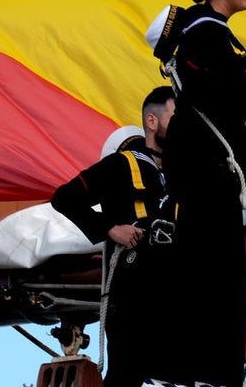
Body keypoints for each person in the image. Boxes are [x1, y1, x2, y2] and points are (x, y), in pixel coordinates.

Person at [158, 0, 246, 387]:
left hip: (212, 167)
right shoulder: (202, 29)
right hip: (199, 168)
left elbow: (236, 121)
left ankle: (207, 370)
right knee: (215, 273)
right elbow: (200, 78)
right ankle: (206, 372)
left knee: (220, 272)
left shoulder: (220, 34)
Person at [50, 86, 177, 387]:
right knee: (128, 371)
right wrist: (110, 227)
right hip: (131, 281)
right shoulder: (119, 165)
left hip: (169, 277)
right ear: (150, 123)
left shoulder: (175, 173)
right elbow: (64, 198)